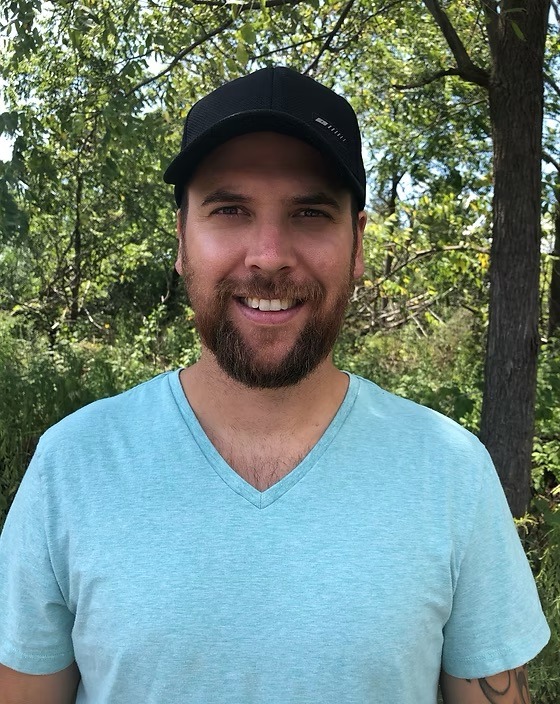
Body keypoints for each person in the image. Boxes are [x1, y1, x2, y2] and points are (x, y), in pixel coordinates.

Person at [0, 67, 550, 704]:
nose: (268, 254)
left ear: (358, 245)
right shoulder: (74, 466)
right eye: (230, 210)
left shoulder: (451, 474)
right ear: (181, 237)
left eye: (310, 212)